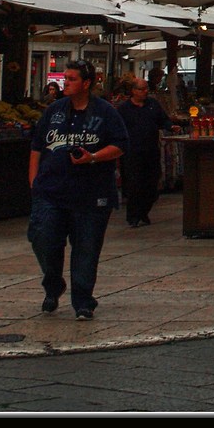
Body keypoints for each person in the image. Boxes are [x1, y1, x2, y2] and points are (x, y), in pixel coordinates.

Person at [27, 62, 128, 320]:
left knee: (86, 248)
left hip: (91, 194)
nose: (66, 83)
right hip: (51, 190)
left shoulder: (105, 112)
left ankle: (83, 301)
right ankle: (53, 284)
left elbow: (120, 145)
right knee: (43, 238)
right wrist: (34, 181)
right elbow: (37, 146)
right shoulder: (54, 110)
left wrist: (93, 157)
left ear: (86, 83)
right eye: (65, 78)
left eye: (72, 79)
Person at [113, 76, 180, 229]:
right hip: (132, 152)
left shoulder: (153, 105)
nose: (145, 92)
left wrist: (171, 126)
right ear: (133, 91)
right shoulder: (124, 109)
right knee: (134, 185)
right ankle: (133, 216)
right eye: (141, 89)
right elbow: (117, 127)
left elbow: (163, 120)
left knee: (151, 184)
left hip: (151, 151)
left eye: (146, 89)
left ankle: (143, 211)